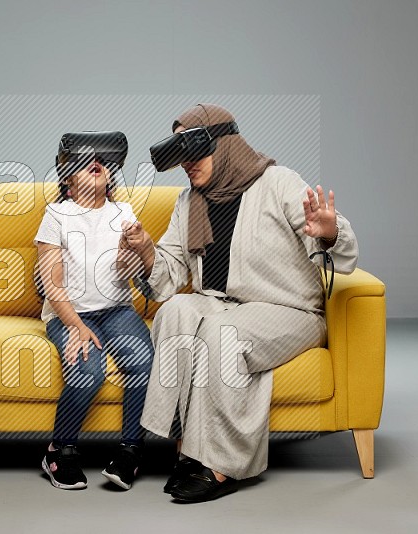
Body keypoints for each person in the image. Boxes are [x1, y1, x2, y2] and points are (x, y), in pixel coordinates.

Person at [120, 104, 358, 502]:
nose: (187, 164)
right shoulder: (189, 202)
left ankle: (222, 463)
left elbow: (333, 246)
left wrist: (329, 234)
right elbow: (168, 274)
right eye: (181, 156)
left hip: (287, 310)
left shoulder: (278, 182)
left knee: (220, 333)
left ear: (225, 145)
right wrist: (146, 252)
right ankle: (186, 444)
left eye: (195, 151)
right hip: (220, 303)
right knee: (175, 311)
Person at [34, 131, 154, 490]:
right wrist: (74, 326)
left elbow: (126, 274)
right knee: (88, 370)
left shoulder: (123, 212)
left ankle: (131, 450)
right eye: (84, 163)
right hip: (67, 313)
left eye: (100, 161)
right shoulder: (57, 214)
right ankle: (60, 449)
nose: (94, 164)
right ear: (68, 179)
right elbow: (51, 282)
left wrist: (129, 252)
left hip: (117, 310)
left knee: (143, 363)